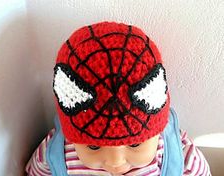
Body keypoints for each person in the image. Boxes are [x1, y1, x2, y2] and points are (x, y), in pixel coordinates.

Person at [26, 21, 211, 176]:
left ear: (158, 128)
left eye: (135, 144)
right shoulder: (55, 156)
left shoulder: (181, 157)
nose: (115, 162)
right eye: (93, 147)